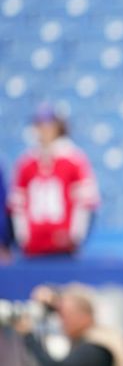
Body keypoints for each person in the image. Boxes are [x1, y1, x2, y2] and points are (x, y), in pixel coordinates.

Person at [8, 104, 100, 257]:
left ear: (58, 126)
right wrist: (23, 238)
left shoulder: (74, 159)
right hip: (33, 248)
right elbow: (17, 205)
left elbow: (87, 202)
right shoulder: (26, 162)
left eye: (49, 124)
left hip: (64, 246)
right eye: (40, 124)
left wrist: (75, 237)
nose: (44, 130)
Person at [14, 283, 123, 366]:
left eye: (65, 315)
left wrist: (29, 335)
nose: (61, 321)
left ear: (84, 315)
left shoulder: (98, 347)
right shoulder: (99, 335)